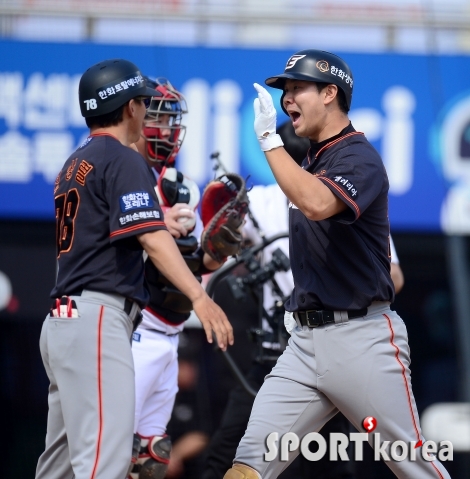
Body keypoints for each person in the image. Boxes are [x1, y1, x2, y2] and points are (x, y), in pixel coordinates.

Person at [223, 50, 450, 479]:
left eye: (296, 88)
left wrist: (269, 142)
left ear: (330, 93)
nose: (286, 99)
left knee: (414, 467)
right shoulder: (314, 158)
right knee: (247, 467)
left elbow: (315, 202)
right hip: (304, 345)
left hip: (361, 338)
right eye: (284, 90)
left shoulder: (358, 156)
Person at [35, 59, 233, 479]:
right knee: (105, 462)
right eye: (143, 102)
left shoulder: (75, 162)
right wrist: (200, 296)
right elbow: (153, 239)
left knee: (60, 463)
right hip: (98, 319)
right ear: (128, 108)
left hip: (63, 318)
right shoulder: (123, 159)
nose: (146, 111)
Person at [204, 120, 405, 479]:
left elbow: (395, 276)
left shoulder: (349, 191)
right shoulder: (263, 200)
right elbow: (214, 247)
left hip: (346, 340)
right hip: (280, 348)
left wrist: (343, 280)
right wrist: (221, 223)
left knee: (343, 462)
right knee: (235, 456)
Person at [128, 77, 231, 478]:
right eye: (158, 120)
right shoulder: (122, 175)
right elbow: (111, 247)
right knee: (113, 447)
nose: (168, 132)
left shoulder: (183, 185)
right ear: (134, 116)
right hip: (132, 328)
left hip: (172, 333)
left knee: (152, 457)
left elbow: (200, 265)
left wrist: (219, 246)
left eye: (172, 122)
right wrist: (156, 226)